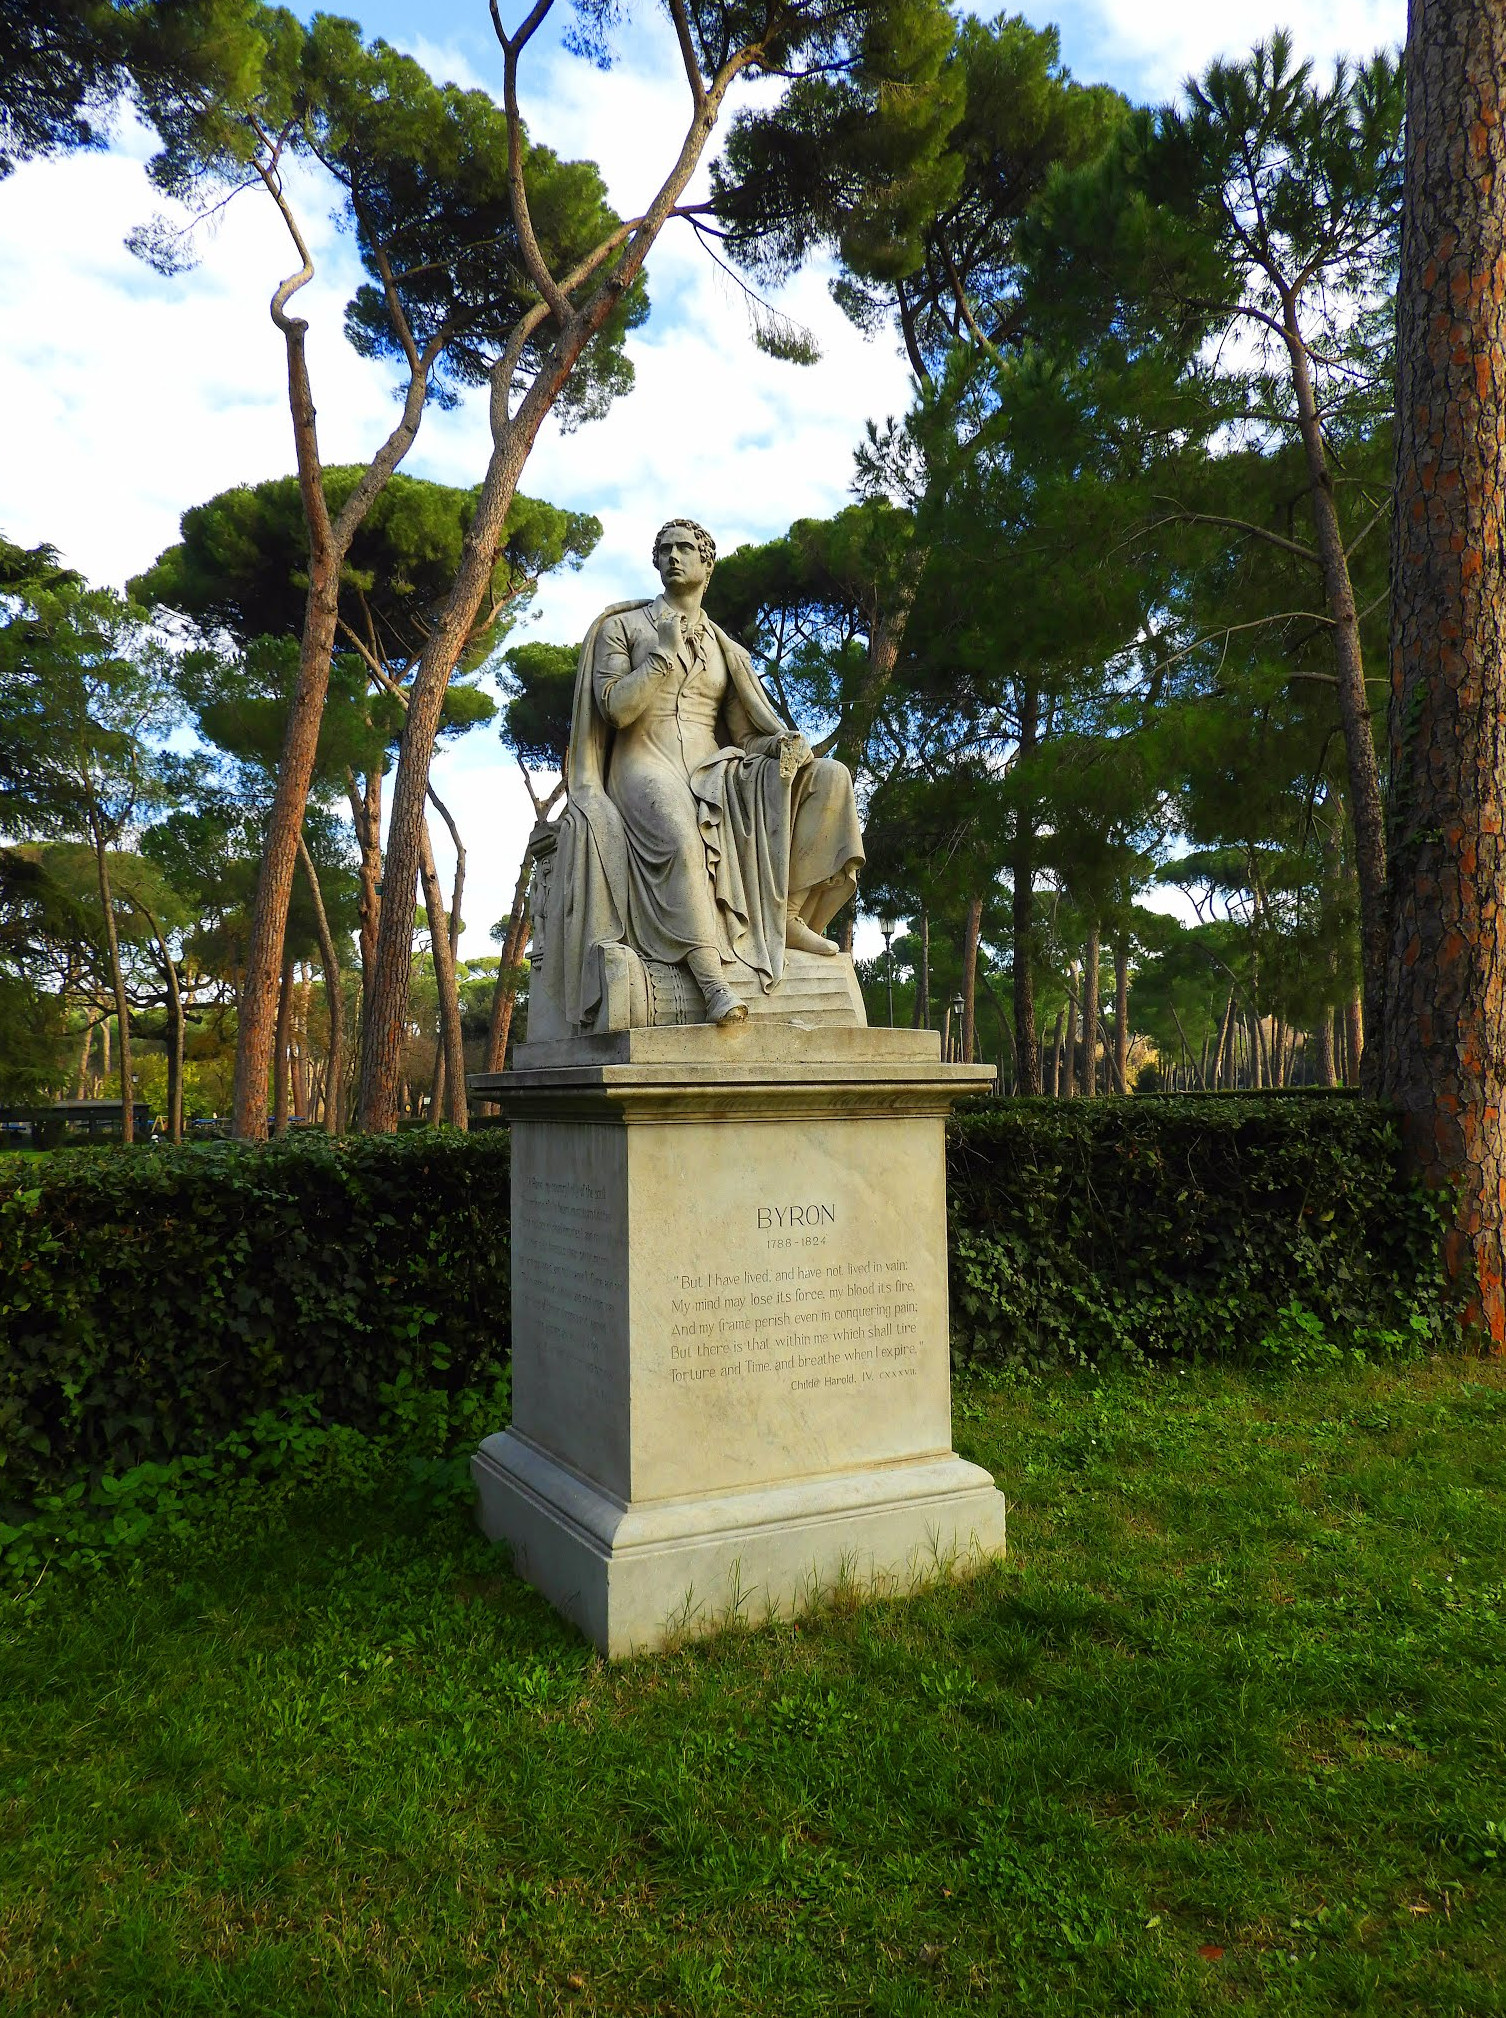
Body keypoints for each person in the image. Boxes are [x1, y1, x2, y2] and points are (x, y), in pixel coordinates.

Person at [540, 518, 863, 1028]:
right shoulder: (623, 628)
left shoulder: (724, 647)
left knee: (831, 777)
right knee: (682, 836)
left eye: (685, 548)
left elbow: (744, 733)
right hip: (643, 763)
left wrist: (780, 746)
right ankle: (711, 981)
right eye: (664, 549)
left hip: (714, 769)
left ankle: (787, 916)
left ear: (706, 563)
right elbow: (616, 711)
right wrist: (663, 654)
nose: (673, 556)